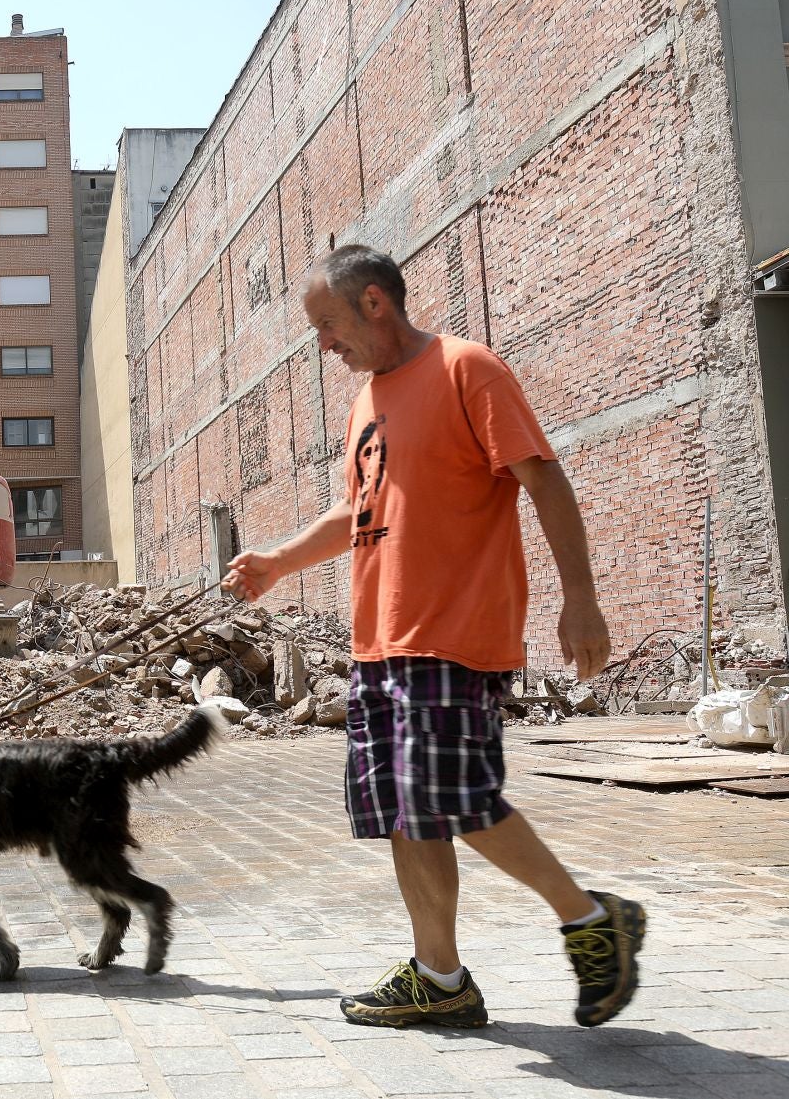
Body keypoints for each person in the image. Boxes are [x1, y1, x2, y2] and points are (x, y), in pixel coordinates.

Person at [223, 245, 644, 1030]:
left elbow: (543, 477)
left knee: (452, 797)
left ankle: (591, 918)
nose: (325, 345)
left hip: (453, 631)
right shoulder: (367, 403)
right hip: (379, 641)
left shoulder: (466, 368)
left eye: (329, 325)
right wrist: (279, 560)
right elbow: (358, 512)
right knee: (403, 810)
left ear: (375, 302)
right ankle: (439, 976)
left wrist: (581, 596)